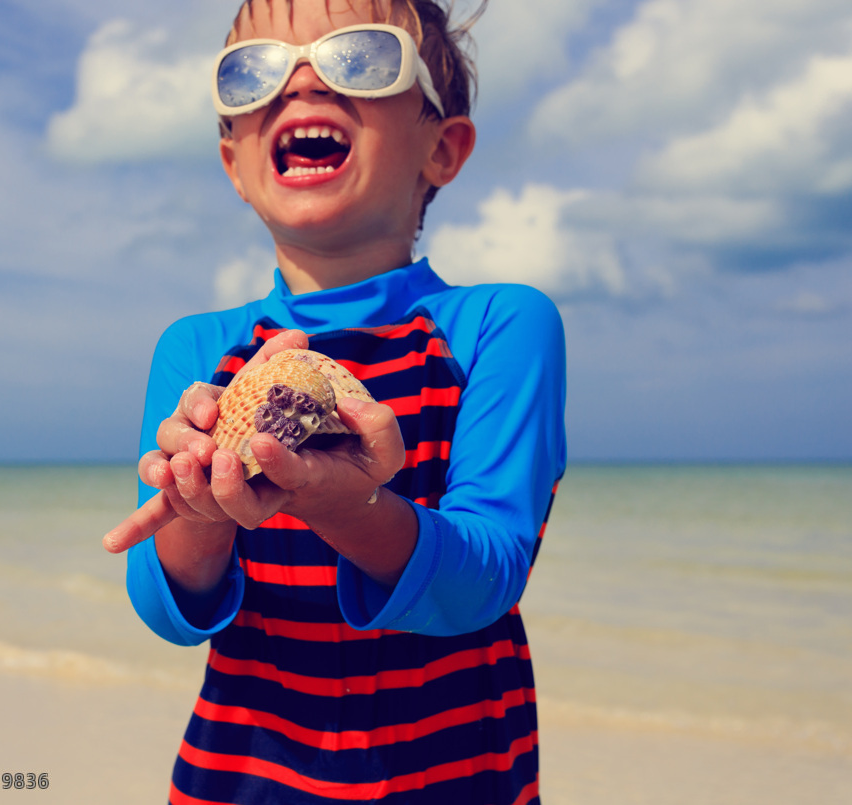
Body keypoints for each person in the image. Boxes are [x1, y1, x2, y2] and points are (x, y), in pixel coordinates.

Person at [103, 0, 566, 802]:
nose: (302, 81)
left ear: (442, 147)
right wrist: (201, 510)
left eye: (361, 57)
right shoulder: (199, 355)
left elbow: (485, 579)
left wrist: (348, 507)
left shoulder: (498, 326)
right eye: (253, 74)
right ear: (233, 165)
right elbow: (170, 607)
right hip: (241, 778)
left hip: (459, 779)